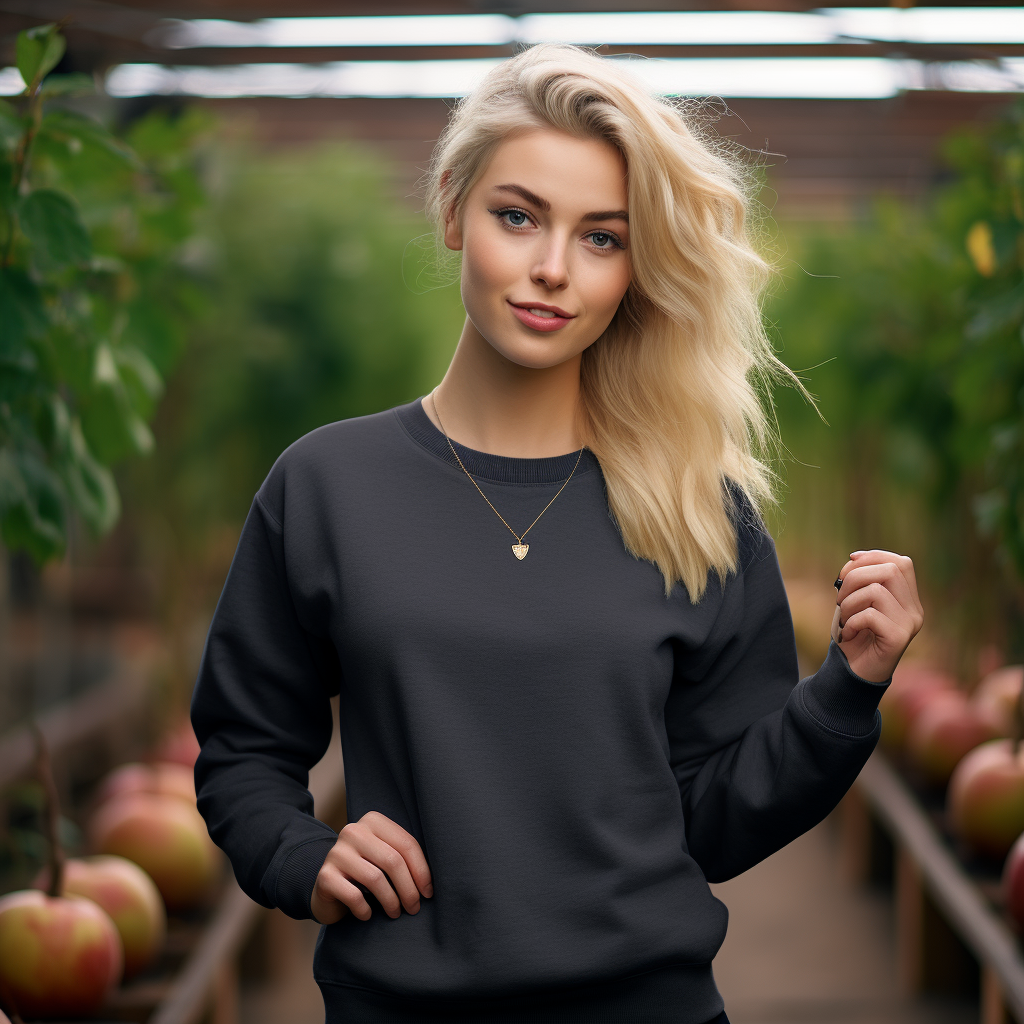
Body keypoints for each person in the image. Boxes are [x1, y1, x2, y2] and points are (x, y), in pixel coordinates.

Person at [191, 43, 923, 1024]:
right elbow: (243, 748)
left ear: (635, 266)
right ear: (453, 208)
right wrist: (302, 855)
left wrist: (849, 687)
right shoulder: (326, 484)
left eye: (601, 237)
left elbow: (710, 817)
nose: (550, 269)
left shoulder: (694, 510)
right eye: (517, 216)